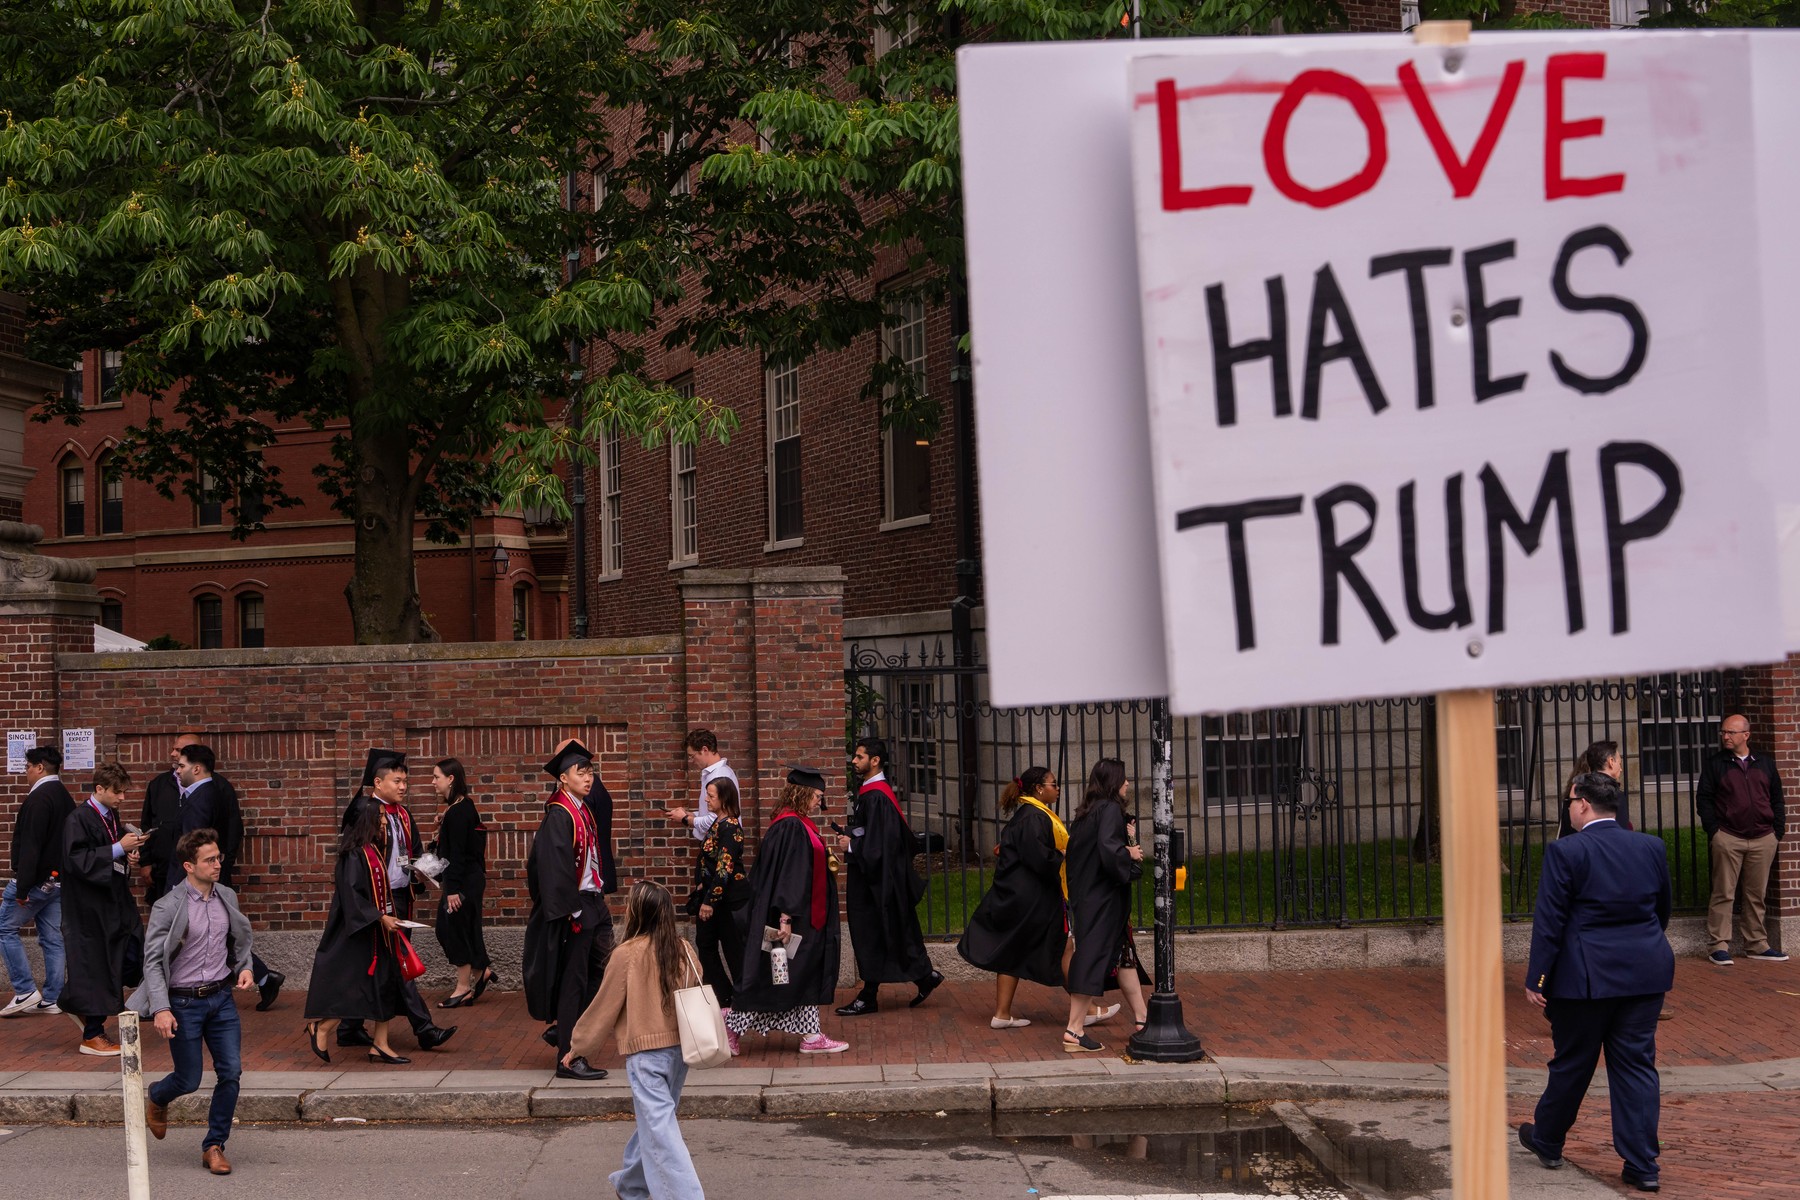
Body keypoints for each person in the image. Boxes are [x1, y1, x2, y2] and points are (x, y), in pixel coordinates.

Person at [1518, 772, 1674, 1194]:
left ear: (1584, 804)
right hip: (1644, 973)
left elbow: (1550, 921)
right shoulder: (1650, 846)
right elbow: (1662, 909)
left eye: (1570, 802)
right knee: (1636, 1066)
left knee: (1573, 1062)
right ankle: (1643, 1165)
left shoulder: (1566, 850)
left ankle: (1548, 1139)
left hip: (1584, 978)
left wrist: (1538, 978)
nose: (1568, 809)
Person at [565, 882, 707, 1200]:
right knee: (657, 1124)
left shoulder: (627, 954)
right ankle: (631, 1187)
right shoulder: (682, 948)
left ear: (637, 913)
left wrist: (577, 1046)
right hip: (680, 1052)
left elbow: (603, 1007)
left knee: (660, 1129)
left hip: (646, 1056)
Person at [130, 828, 256, 1177]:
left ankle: (214, 1145)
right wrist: (161, 1008)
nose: (218, 864)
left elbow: (240, 940)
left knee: (231, 1071)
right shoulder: (168, 906)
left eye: (219, 857)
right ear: (189, 866)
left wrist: (245, 968)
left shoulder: (226, 896)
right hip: (184, 1003)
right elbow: (153, 962)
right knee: (188, 1079)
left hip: (222, 999)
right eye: (209, 860)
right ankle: (158, 1095)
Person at [334, 749, 455, 1051]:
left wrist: (424, 870)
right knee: (400, 963)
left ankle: (348, 1027)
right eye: (397, 781)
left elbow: (413, 852)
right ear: (378, 782)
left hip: (401, 897)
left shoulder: (403, 814)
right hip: (376, 903)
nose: (403, 787)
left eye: (405, 781)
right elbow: (354, 860)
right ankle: (424, 1029)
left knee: (379, 966)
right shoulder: (365, 813)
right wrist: (370, 909)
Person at [728, 767, 847, 1054]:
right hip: (792, 917)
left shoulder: (795, 823)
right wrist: (785, 917)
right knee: (775, 976)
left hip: (802, 914)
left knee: (798, 974)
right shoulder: (791, 827)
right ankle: (731, 1026)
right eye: (817, 795)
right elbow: (790, 876)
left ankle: (811, 1035)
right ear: (802, 793)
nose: (819, 801)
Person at [524, 739, 617, 1080]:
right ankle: (568, 1056)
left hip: (593, 902)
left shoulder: (581, 808)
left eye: (591, 772)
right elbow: (552, 868)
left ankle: (566, 1030)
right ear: (563, 778)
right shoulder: (559, 814)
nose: (588, 778)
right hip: (577, 909)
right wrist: (572, 912)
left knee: (603, 973)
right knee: (573, 981)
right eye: (581, 773)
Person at [166, 741, 280, 1011]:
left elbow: (193, 846)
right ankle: (265, 977)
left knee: (190, 935)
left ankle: (157, 999)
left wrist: (182, 882)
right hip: (204, 876)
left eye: (181, 765)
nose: (177, 770)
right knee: (213, 933)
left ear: (196, 768)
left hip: (195, 880)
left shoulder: (202, 797)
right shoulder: (212, 791)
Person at [834, 736, 942, 1016]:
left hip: (876, 881)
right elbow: (877, 834)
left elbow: (883, 844)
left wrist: (852, 846)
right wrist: (853, 834)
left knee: (872, 932)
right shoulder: (873, 793)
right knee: (886, 931)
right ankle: (924, 977)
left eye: (859, 756)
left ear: (875, 760)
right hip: (876, 876)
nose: (854, 761)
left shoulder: (877, 796)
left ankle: (869, 996)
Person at [303, 798, 414, 1065]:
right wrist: (380, 917)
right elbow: (352, 897)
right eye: (380, 817)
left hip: (377, 930)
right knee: (356, 987)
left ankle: (380, 1044)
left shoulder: (372, 850)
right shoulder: (354, 855)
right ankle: (323, 1027)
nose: (384, 821)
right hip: (358, 933)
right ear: (367, 820)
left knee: (384, 983)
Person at [958, 767, 1069, 1028]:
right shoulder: (1034, 816)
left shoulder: (1029, 814)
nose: (1057, 788)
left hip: (1019, 894)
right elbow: (1039, 859)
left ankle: (1002, 1014)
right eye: (1053, 784)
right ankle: (1086, 1009)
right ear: (1039, 789)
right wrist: (1063, 854)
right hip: (1030, 897)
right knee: (1063, 948)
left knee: (1013, 951)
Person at [1061, 758, 1148, 1054]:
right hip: (1103, 899)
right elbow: (1109, 851)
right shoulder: (1109, 809)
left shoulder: (1086, 812)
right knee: (1091, 957)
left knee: (1123, 955)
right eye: (1123, 779)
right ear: (1113, 782)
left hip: (1089, 897)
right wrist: (1130, 853)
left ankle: (1142, 1019)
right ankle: (1074, 1029)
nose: (1127, 783)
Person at [60, 760, 146, 1055]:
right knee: (98, 964)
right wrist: (119, 848)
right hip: (89, 908)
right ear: (99, 789)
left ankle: (76, 1001)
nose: (122, 797)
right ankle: (92, 1034)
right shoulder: (78, 819)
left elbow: (109, 854)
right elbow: (76, 860)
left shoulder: (110, 815)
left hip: (114, 900)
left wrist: (127, 855)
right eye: (117, 792)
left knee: (131, 952)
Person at [1695, 714, 1788, 966]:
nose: (1725, 736)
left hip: (1763, 838)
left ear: (1746, 735)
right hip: (1728, 836)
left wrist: (1776, 832)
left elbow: (1777, 799)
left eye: (1730, 732)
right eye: (1723, 732)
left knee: (1756, 894)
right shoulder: (1716, 764)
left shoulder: (1765, 764)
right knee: (1723, 892)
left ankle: (1757, 944)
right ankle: (1718, 945)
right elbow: (1704, 799)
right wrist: (1715, 831)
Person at [1, 746, 74, 1018]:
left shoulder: (39, 798)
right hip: (58, 881)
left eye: (28, 767)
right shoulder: (64, 796)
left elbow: (31, 845)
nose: (26, 772)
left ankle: (25, 990)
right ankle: (53, 997)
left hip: (34, 883)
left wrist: (22, 887)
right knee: (53, 938)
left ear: (40, 767)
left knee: (4, 928)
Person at [432, 757, 496, 1007]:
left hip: (462, 882)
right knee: (462, 928)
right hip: (467, 878)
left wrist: (453, 890)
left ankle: (463, 987)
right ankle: (481, 972)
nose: (433, 782)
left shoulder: (458, 812)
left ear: (450, 779)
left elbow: (457, 854)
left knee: (452, 929)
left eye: (436, 777)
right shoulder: (461, 807)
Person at [691, 776, 750, 1009]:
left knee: (733, 951)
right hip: (713, 898)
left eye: (711, 796)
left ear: (724, 798)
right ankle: (724, 997)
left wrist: (709, 901)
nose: (706, 799)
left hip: (728, 902)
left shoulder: (731, 828)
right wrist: (701, 884)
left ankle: (743, 1001)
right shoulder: (718, 823)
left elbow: (724, 868)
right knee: (705, 945)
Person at [668, 727, 739, 842]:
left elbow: (715, 820)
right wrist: (689, 814)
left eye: (692, 756)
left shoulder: (719, 776)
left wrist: (685, 819)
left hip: (720, 844)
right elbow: (712, 813)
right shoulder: (714, 773)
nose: (692, 761)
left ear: (705, 750)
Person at [1557, 740, 1629, 838]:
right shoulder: (1616, 796)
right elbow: (1620, 834)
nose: (1620, 769)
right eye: (1619, 763)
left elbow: (1564, 834)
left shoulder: (1576, 790)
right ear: (1611, 762)